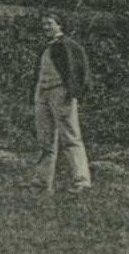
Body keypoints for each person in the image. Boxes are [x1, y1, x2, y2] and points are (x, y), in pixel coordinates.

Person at [33, 13, 92, 193]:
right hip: (42, 92)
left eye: (50, 24)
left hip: (60, 92)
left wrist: (73, 92)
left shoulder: (68, 45)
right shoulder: (46, 47)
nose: (46, 27)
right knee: (45, 140)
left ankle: (81, 182)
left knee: (71, 137)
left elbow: (80, 70)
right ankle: (42, 183)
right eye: (44, 24)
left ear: (60, 26)